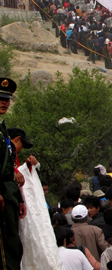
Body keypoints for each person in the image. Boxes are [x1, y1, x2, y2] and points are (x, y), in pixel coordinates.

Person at [0, 77, 26, 270]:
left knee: (12, 242)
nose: (4, 103)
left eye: (7, 99)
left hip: (9, 193)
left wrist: (19, 199)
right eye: (0, 99)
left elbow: (8, 168)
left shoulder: (2, 129)